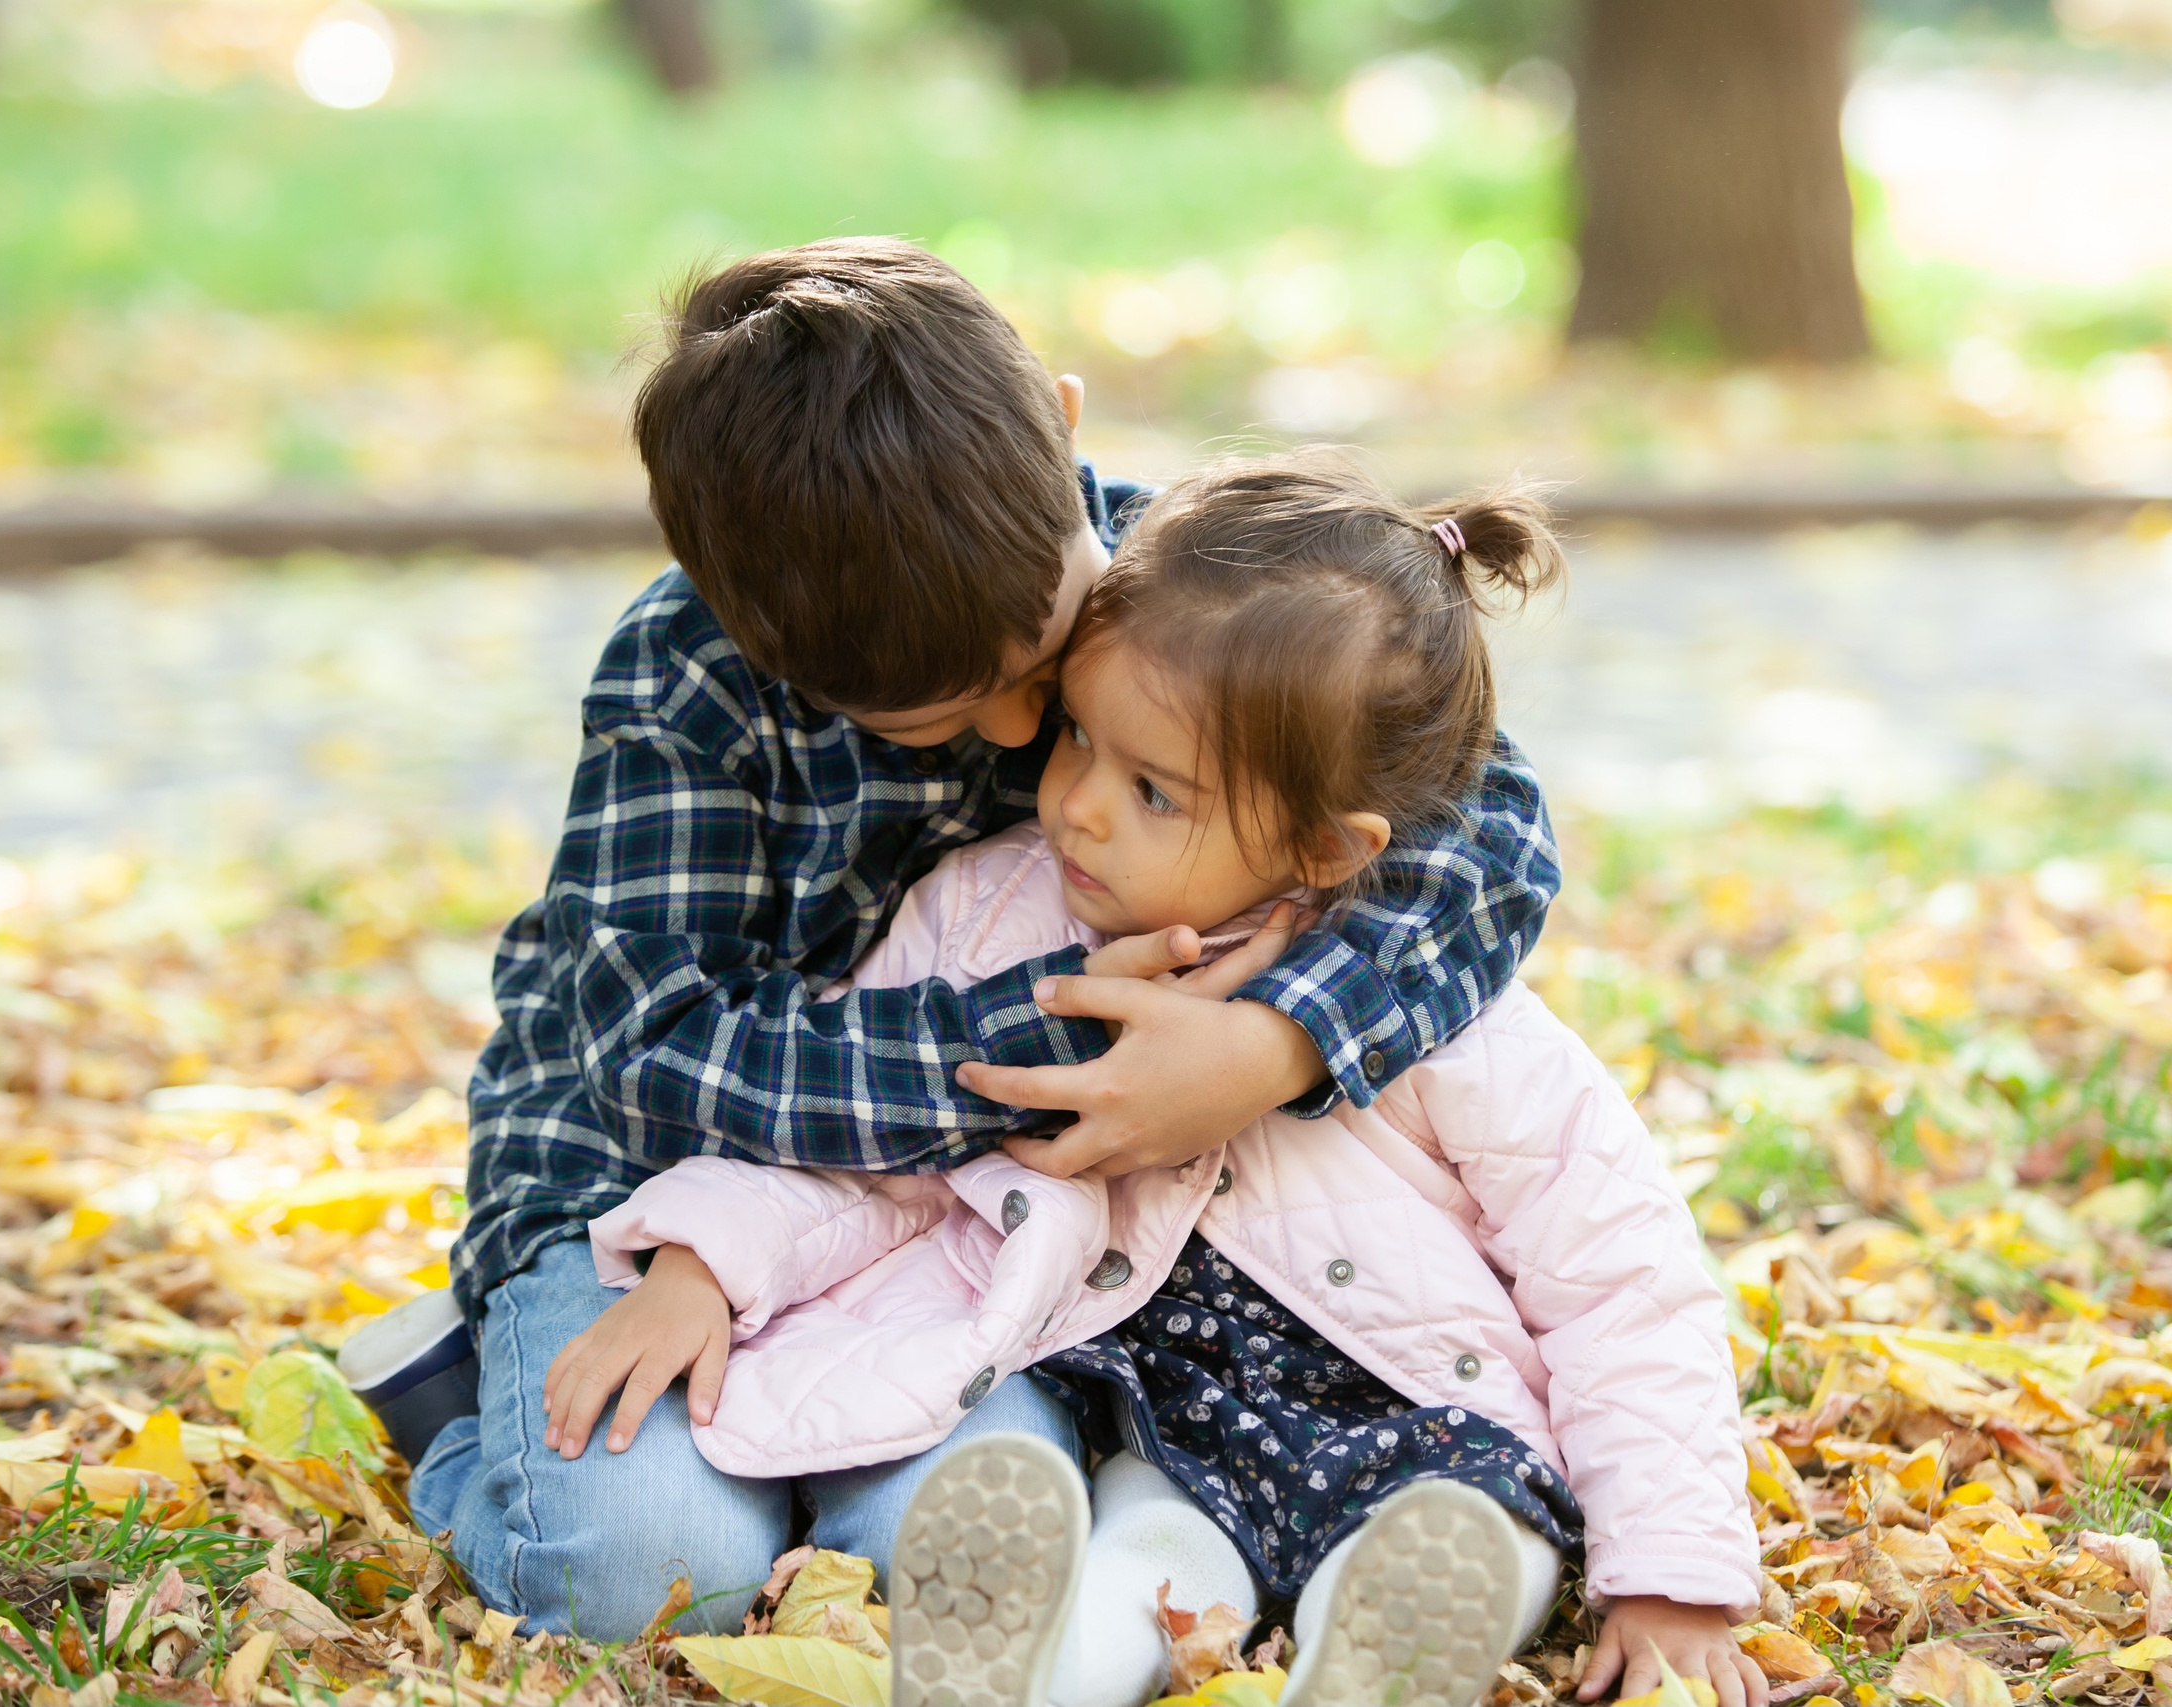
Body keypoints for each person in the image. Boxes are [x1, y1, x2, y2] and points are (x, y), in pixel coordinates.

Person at [341, 239, 1562, 1643]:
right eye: (929, 716)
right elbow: (657, 1049)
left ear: (1062, 424)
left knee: (958, 1561)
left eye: (1039, 671)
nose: (1015, 736)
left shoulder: (1183, 579)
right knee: (653, 1573)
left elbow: (1486, 824)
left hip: (964, 1223)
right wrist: (1058, 1035)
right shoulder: (685, 676)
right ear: (755, 629)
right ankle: (468, 1417)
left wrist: (1264, 1041)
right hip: (658, 1186)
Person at [568, 454, 1765, 1706]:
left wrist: (1672, 1577)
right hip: (1161, 1420)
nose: (1074, 805)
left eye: (1151, 790)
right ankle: (1018, 1681)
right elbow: (870, 1157)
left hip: (1428, 1411)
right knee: (1144, 1555)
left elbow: (1621, 1275)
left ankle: (1387, 1650)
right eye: (1077, 734)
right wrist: (705, 1260)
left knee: (1472, 1534)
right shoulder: (990, 919)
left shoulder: (1433, 1013)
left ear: (1321, 845)